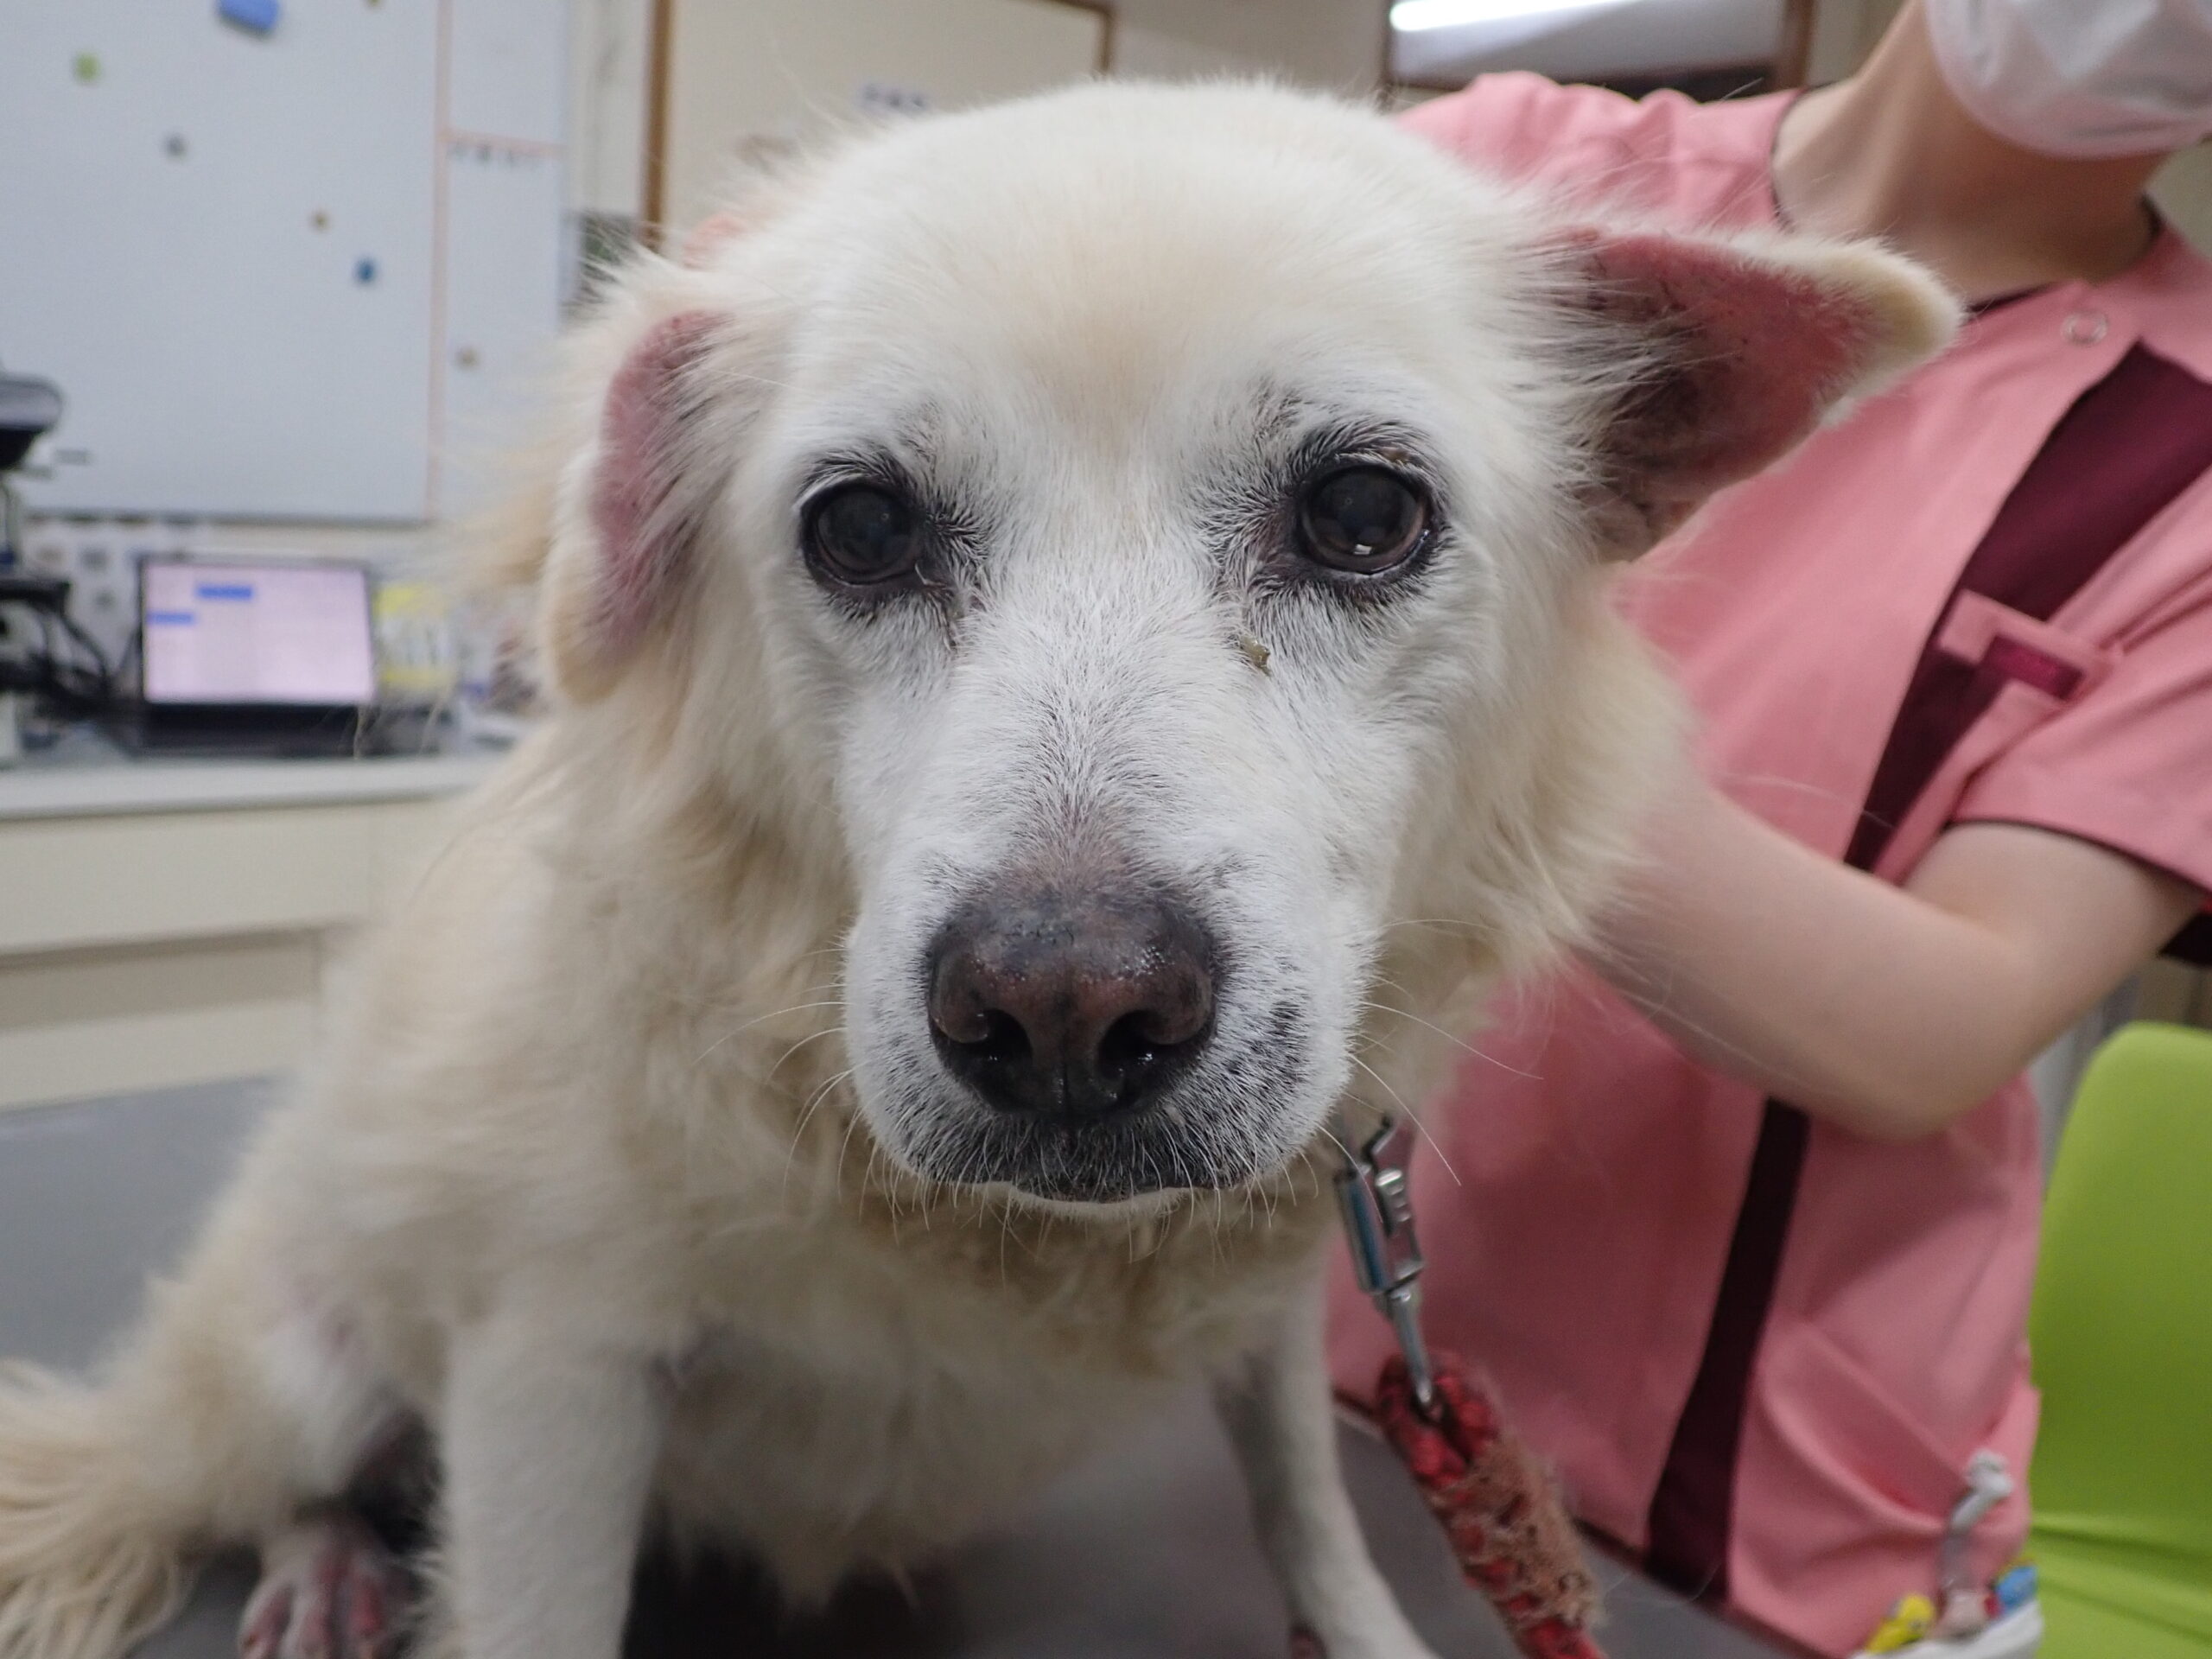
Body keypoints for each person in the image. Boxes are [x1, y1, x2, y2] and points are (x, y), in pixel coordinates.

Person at [1328, 3, 2212, 1654]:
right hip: (1302, 1356)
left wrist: (1508, 718)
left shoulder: (2192, 461)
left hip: (1757, 1516)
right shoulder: (1508, 177)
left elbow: (1938, 1028)